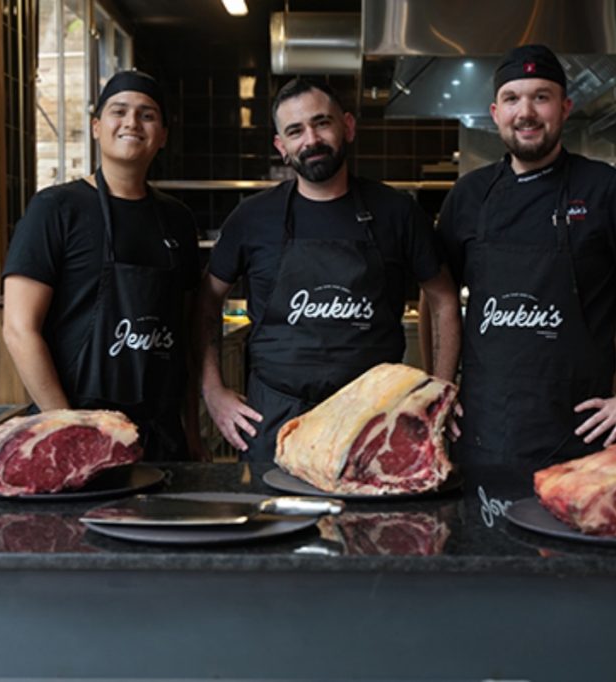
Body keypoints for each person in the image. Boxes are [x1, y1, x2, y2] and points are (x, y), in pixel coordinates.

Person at [421, 44, 616, 471]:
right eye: (512, 99)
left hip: (575, 434)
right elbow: (438, 294)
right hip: (481, 429)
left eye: (540, 97)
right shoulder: (468, 196)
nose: (525, 112)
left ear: (564, 108)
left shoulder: (606, 189)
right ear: (495, 112)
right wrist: (438, 385)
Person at [195, 77, 461, 461]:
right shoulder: (252, 218)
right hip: (276, 420)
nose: (311, 139)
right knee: (277, 522)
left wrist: (441, 390)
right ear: (281, 147)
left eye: (322, 123)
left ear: (347, 127)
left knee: (373, 522)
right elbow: (206, 302)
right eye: (295, 131)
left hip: (373, 422)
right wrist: (214, 392)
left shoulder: (397, 212)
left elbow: (444, 299)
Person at [2, 70, 205, 461]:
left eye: (147, 115)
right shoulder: (56, 209)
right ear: (97, 127)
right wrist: (69, 430)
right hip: (78, 428)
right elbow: (18, 329)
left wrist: (192, 432)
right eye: (119, 111)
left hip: (160, 436)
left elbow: (184, 338)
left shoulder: (177, 219)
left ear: (162, 134)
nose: (132, 122)